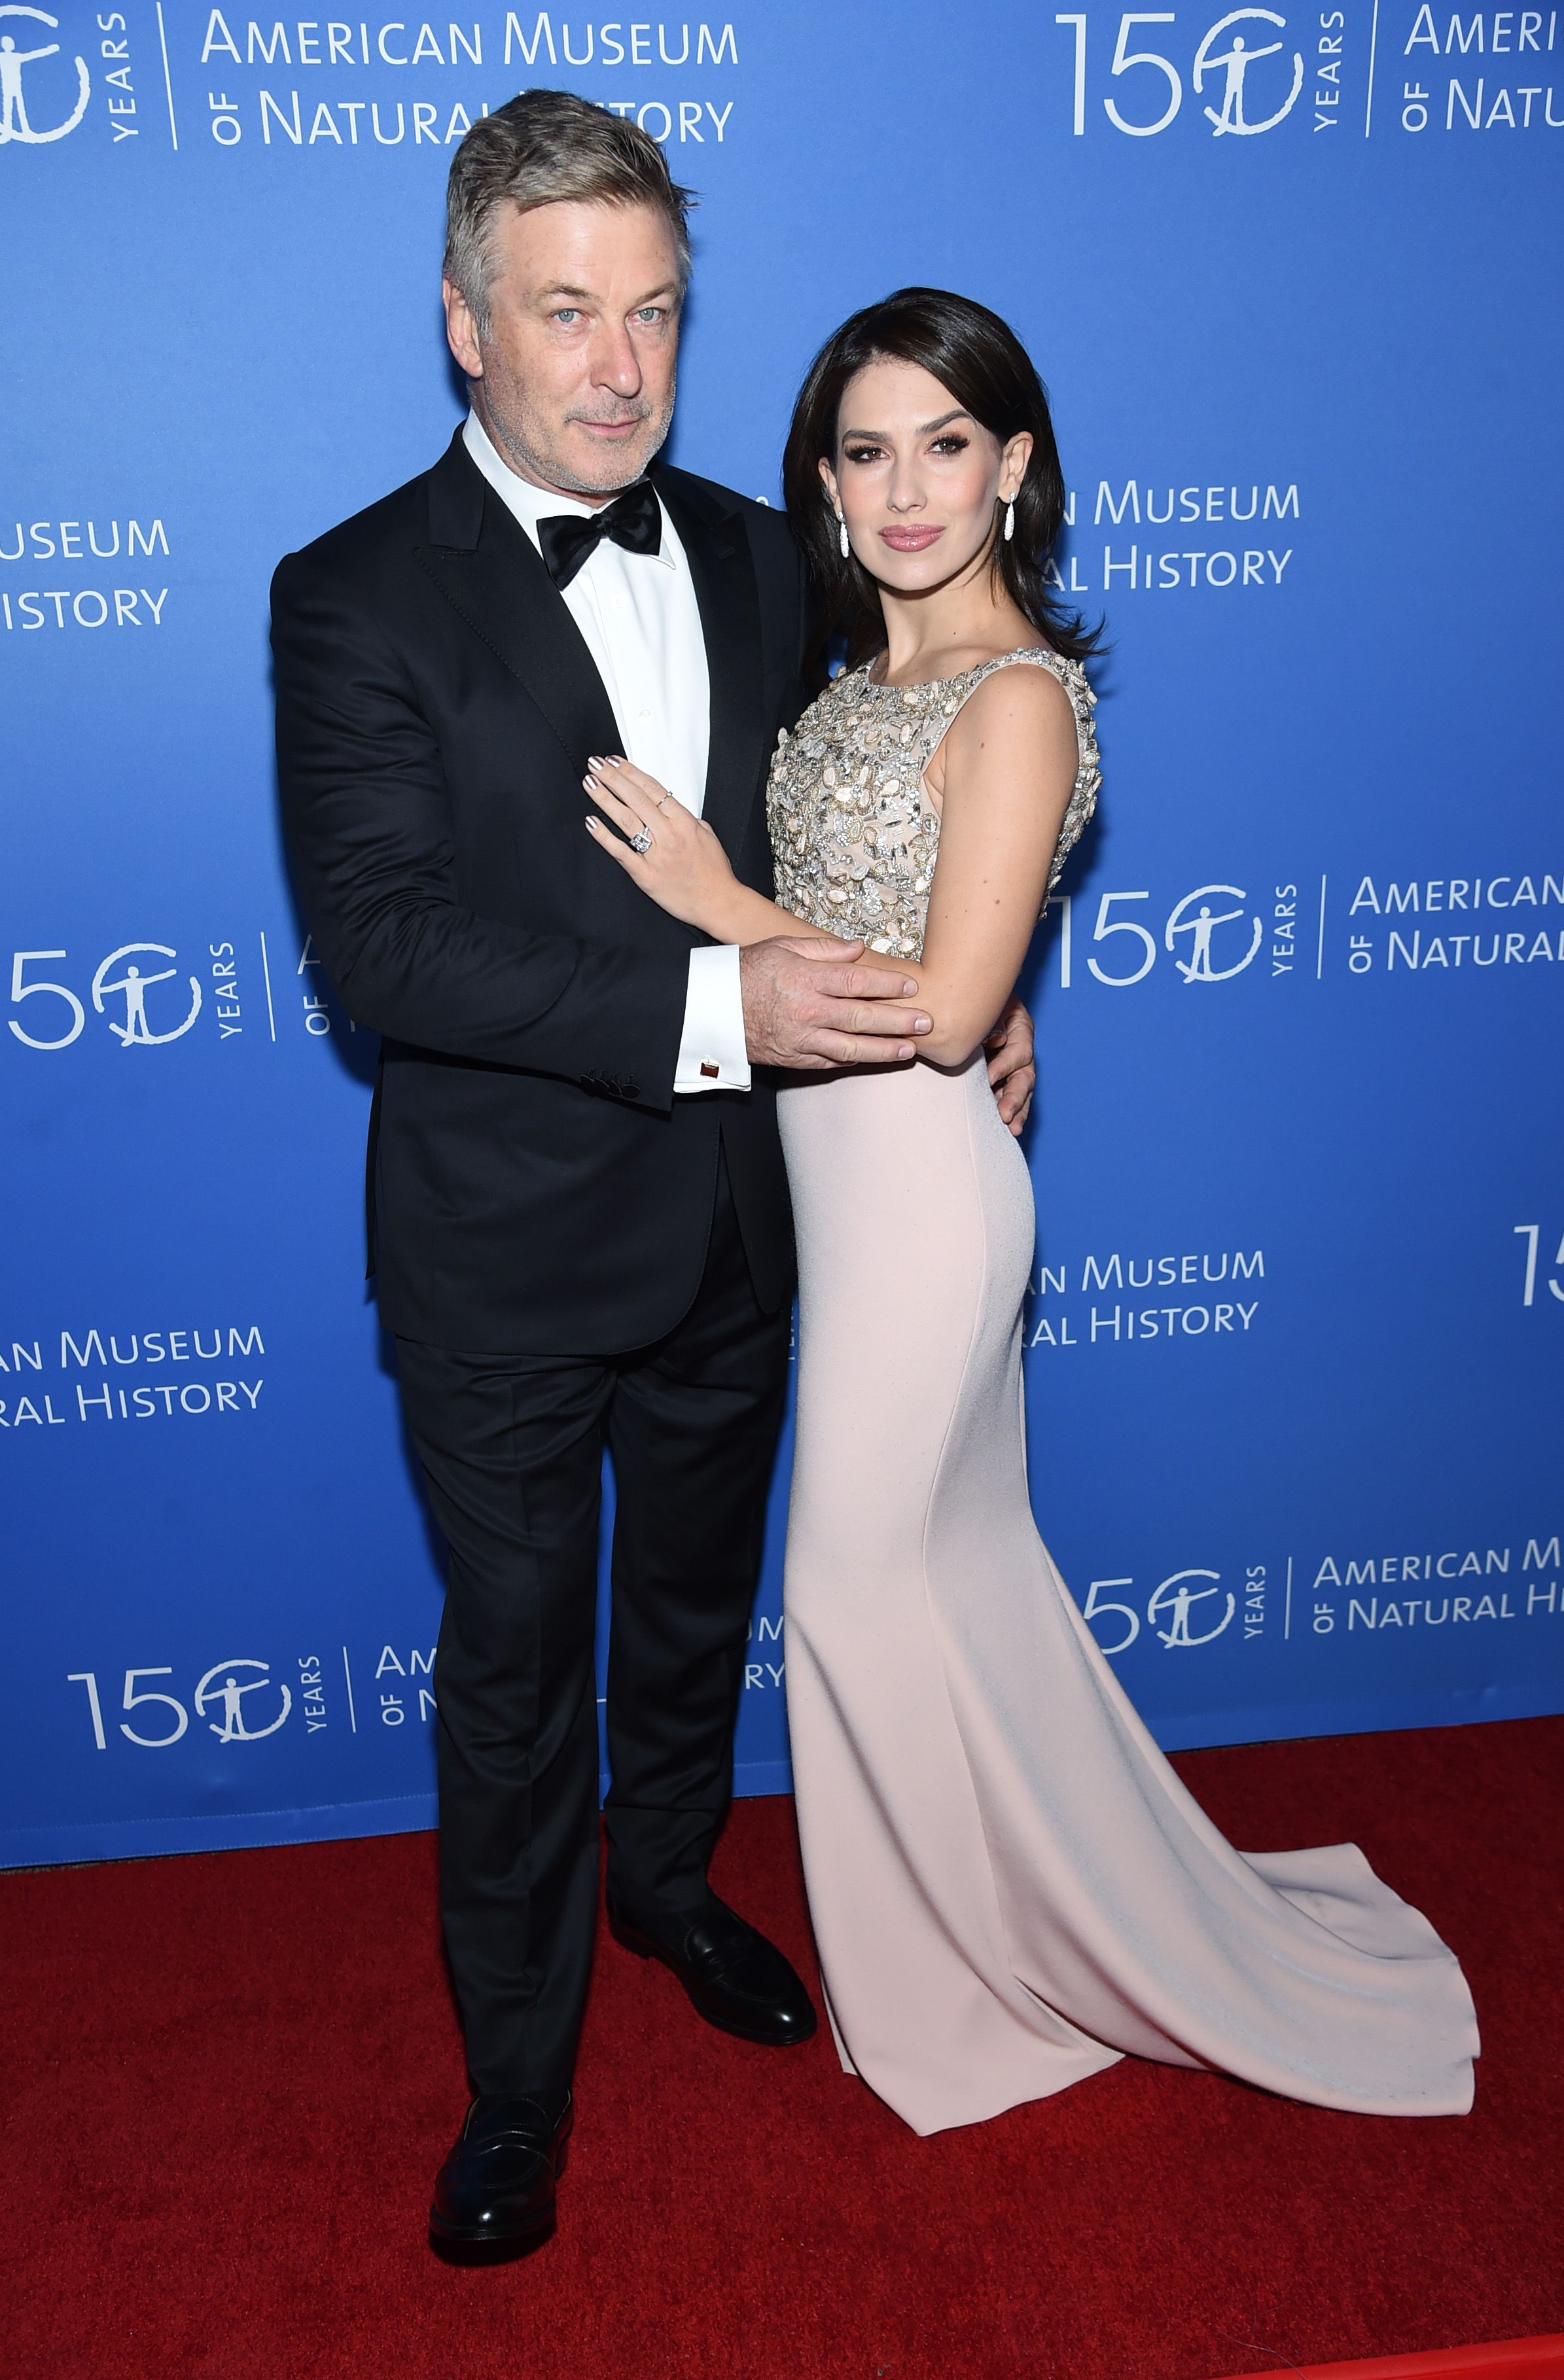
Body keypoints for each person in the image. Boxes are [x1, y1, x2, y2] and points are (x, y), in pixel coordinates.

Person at [585, 286, 1482, 2137]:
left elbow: (923, 998)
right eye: (863, 448)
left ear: (1013, 468)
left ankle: (968, 1989)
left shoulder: (1012, 699)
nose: (904, 489)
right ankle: (1049, 1921)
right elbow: (953, 970)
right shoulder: (858, 689)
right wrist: (986, 1002)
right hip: (831, 1179)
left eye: (943, 443)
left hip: (919, 1193)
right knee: (962, 1579)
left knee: (842, 1580)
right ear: (825, 483)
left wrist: (711, 896)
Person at [270, 97, 1038, 2250]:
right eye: (566, 313)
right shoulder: (346, 595)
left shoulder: (758, 548)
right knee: (518, 1677)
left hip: (747, 1226)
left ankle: (678, 1887)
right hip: (503, 1258)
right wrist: (733, 1018)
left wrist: (959, 984)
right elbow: (383, 946)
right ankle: (516, 2085)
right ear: (464, 326)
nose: (619, 365)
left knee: (696, 1607)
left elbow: (856, 832)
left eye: (658, 315)